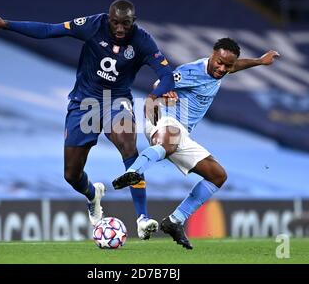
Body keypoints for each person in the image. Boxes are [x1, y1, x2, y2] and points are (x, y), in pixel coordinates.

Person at [0, 0, 178, 239]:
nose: (120, 29)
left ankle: (142, 218)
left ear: (133, 21)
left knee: (128, 143)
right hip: (84, 103)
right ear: (108, 18)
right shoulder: (93, 25)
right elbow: (49, 30)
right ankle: (93, 195)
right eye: (115, 22)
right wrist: (6, 24)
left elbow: (167, 74)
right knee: (71, 175)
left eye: (126, 23)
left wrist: (155, 95)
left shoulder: (143, 40)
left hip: (116, 101)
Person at [112, 38, 280, 249]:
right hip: (163, 119)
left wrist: (259, 61)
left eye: (227, 65)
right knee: (170, 137)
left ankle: (175, 221)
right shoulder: (191, 72)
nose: (222, 68)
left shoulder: (225, 67)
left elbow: (236, 66)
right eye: (219, 62)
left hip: (182, 133)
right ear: (212, 55)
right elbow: (157, 88)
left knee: (217, 175)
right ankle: (134, 172)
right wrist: (158, 101)